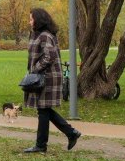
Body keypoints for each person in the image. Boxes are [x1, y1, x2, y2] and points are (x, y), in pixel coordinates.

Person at [23, 8, 81, 153]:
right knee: (44, 109)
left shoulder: (45, 36)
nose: (29, 22)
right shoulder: (39, 35)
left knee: (43, 110)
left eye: (31, 19)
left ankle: (41, 145)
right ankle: (71, 133)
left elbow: (50, 56)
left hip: (48, 76)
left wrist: (35, 69)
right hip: (44, 76)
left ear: (39, 20)